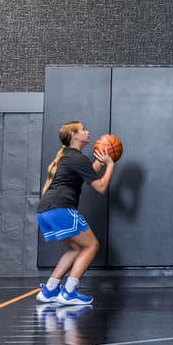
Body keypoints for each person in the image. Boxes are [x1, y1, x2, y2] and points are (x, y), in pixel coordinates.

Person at [35, 121, 114, 306]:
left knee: (76, 249)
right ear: (73, 136)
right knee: (91, 246)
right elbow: (101, 187)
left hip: (46, 210)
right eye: (83, 129)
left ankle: (50, 289)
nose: (88, 131)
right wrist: (110, 165)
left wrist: (99, 161)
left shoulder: (68, 157)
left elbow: (88, 175)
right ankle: (69, 292)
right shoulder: (77, 158)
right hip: (61, 208)